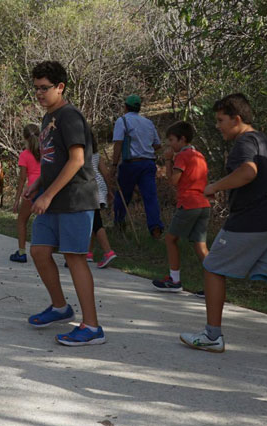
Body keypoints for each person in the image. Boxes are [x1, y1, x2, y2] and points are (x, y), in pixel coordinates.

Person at [180, 94, 267, 354]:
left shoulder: (244, 141)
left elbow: (248, 172)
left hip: (249, 219)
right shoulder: (265, 140)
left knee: (212, 267)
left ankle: (212, 335)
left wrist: (214, 187)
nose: (218, 126)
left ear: (237, 119)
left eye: (221, 120)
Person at [24, 61, 105, 346]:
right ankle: (60, 307)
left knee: (74, 258)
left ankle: (92, 327)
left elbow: (77, 160)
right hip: (52, 198)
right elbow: (52, 160)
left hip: (74, 199)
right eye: (36, 88)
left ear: (61, 87)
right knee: (39, 251)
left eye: (45, 88)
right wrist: (38, 184)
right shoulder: (48, 118)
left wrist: (47, 195)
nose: (39, 94)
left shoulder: (70, 116)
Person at [152, 121, 210, 294]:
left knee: (171, 239)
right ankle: (213, 285)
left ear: (182, 139)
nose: (170, 144)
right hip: (203, 204)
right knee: (201, 246)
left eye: (172, 140)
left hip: (188, 203)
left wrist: (168, 161)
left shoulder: (182, 156)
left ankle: (174, 280)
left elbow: (173, 181)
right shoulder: (199, 155)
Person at [111, 95, 165, 238]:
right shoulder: (148, 122)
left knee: (122, 196)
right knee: (150, 197)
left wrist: (114, 165)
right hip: (148, 163)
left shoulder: (122, 121)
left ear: (126, 107)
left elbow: (118, 144)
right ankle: (155, 229)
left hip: (130, 164)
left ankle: (119, 225)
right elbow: (157, 144)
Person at [10, 124, 42, 263]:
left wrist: (17, 200)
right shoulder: (46, 152)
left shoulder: (25, 155)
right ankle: (66, 255)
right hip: (46, 188)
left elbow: (22, 179)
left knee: (22, 220)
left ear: (24, 138)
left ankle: (22, 252)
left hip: (32, 190)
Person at [89, 131, 117, 269]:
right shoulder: (96, 155)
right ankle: (88, 253)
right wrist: (109, 190)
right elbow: (105, 173)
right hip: (100, 187)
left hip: (89, 189)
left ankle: (108, 251)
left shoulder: (79, 154)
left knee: (95, 222)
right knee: (93, 220)